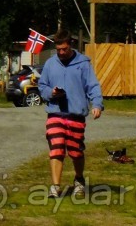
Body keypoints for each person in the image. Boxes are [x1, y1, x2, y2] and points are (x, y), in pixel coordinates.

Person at [38, 29, 104, 199]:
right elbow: (42, 86)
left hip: (76, 114)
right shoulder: (50, 64)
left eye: (64, 49)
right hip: (55, 113)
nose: (61, 53)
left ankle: (79, 179)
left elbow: (93, 86)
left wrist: (97, 104)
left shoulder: (83, 63)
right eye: (58, 49)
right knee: (56, 148)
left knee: (75, 152)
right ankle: (55, 187)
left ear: (71, 45)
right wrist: (51, 92)